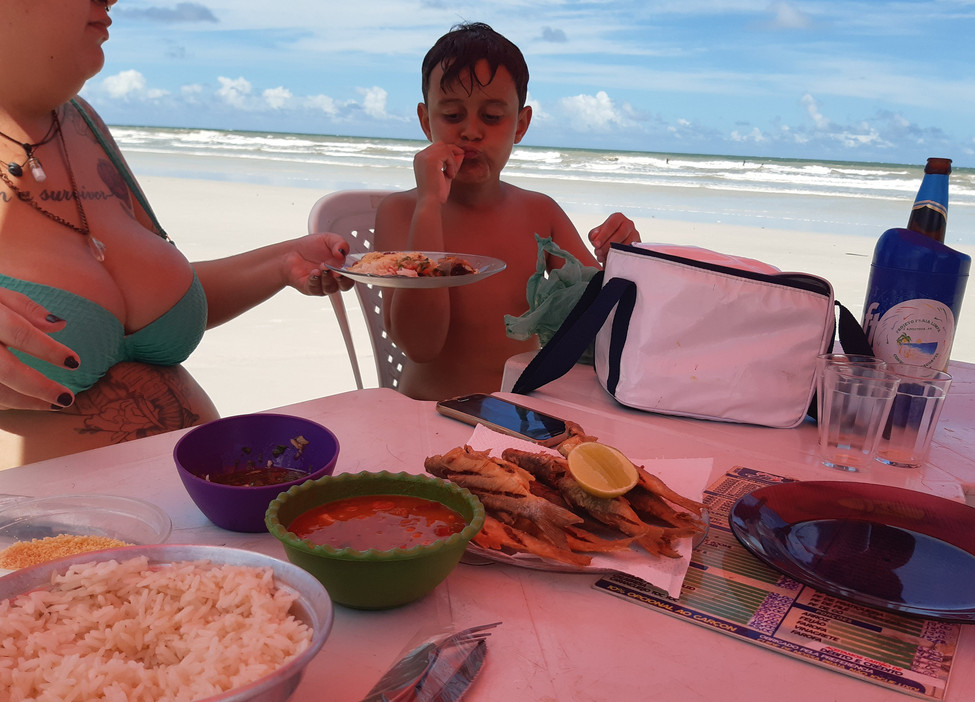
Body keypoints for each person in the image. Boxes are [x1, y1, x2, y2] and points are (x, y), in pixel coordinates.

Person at [0, 0, 353, 470]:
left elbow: (137, 302)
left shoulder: (83, 125)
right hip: (40, 537)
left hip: (198, 522)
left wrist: (281, 262)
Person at [374, 22, 639, 400]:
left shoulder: (539, 213)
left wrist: (624, 260)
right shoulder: (400, 213)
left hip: (521, 415)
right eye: (451, 115)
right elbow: (421, 345)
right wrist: (429, 206)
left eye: (493, 116)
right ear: (424, 120)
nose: (470, 131)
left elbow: (600, 324)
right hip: (426, 414)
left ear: (521, 124)